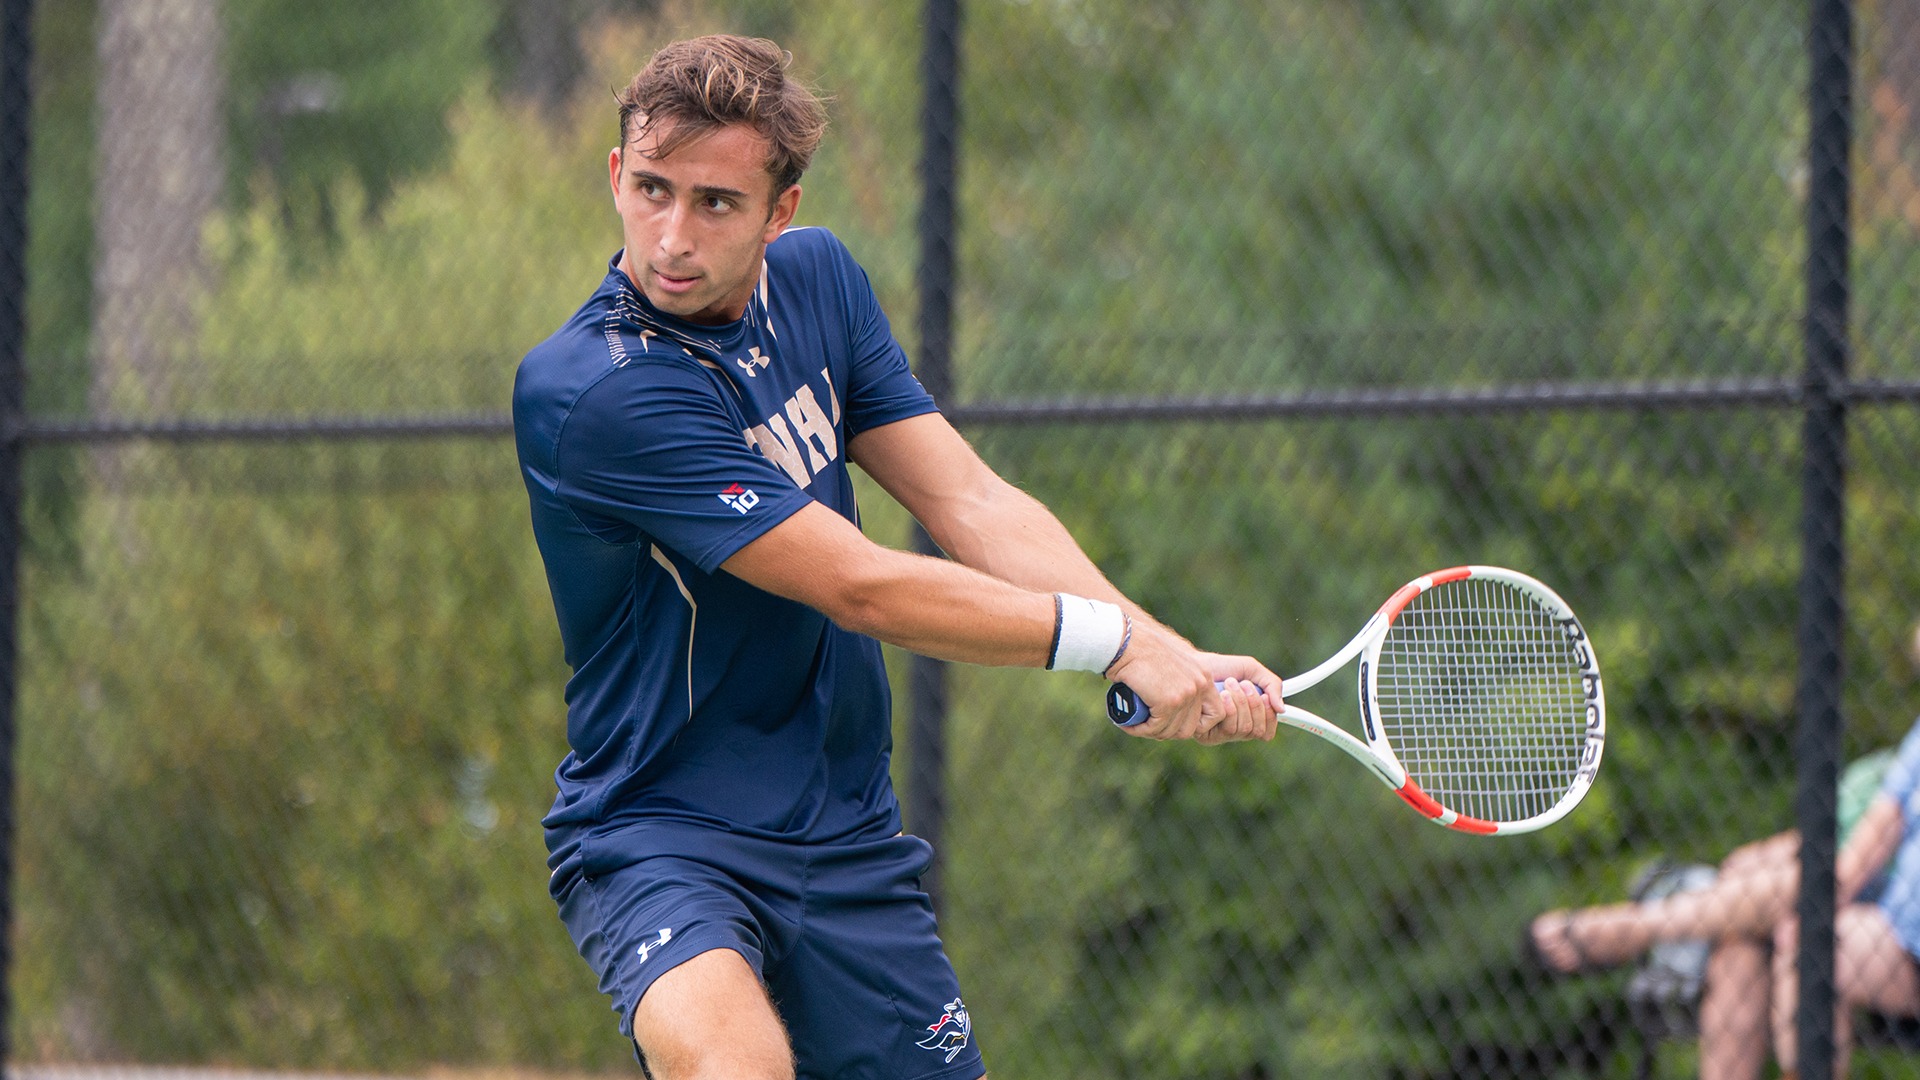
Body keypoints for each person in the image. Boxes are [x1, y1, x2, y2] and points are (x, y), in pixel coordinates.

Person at [512, 35, 1284, 1080]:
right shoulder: (597, 393)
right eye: (651, 189)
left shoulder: (820, 281)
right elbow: (859, 585)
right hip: (661, 831)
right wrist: (1111, 645)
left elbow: (968, 497)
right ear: (616, 175)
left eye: (716, 204)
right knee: (737, 1066)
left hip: (844, 832)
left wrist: (1160, 645)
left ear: (781, 213)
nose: (671, 236)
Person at [1527, 622, 1920, 1079]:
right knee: (1798, 937)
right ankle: (1653, 926)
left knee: (1782, 903)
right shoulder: (1910, 750)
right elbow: (1849, 866)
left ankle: (1641, 926)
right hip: (1901, 942)